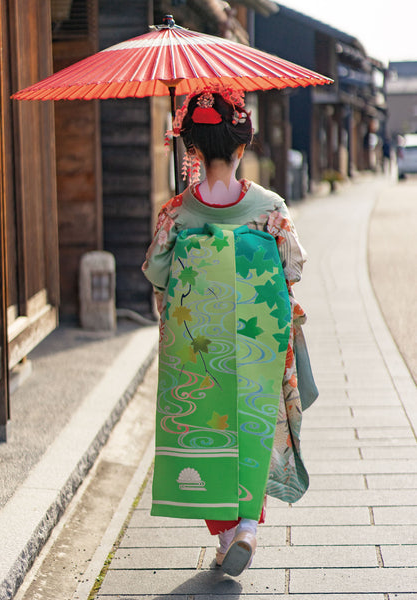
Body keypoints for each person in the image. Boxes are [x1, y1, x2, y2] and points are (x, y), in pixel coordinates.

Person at [142, 88, 316, 577]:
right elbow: (293, 265)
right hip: (257, 336)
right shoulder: (269, 206)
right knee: (254, 421)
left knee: (204, 428)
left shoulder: (177, 212)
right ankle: (248, 528)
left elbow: (157, 270)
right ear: (242, 147)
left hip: (196, 341)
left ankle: (224, 537)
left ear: (191, 150)